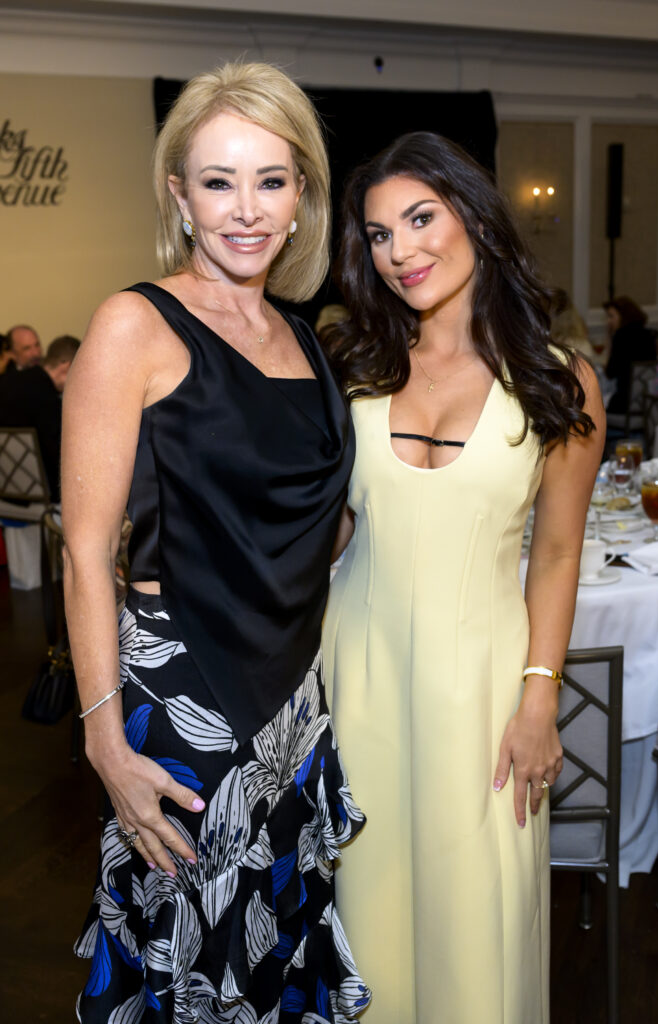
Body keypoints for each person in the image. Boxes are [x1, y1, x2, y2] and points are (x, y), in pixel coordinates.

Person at [62, 61, 369, 1023]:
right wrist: (105, 743)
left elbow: (313, 518)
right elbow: (82, 552)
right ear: (179, 194)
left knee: (273, 958)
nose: (246, 209)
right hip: (183, 694)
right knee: (193, 965)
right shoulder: (133, 324)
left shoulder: (302, 336)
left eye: (270, 180)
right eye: (218, 180)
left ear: (300, 197)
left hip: (291, 700)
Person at [321, 132, 605, 1023]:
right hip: (352, 679)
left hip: (484, 691)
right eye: (377, 235)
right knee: (364, 912)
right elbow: (324, 535)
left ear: (475, 219)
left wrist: (537, 700)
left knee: (477, 922)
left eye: (418, 218)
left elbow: (556, 555)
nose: (399, 250)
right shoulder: (352, 366)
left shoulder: (559, 383)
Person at [0, 333, 80, 501]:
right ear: (68, 367)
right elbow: (59, 460)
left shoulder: (6, 381)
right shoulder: (48, 400)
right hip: (43, 502)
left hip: (6, 497)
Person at [603, 295, 658, 412]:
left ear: (623, 315)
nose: (609, 321)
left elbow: (610, 372)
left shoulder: (621, 337)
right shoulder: (649, 335)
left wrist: (609, 339)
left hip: (623, 401)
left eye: (611, 316)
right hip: (645, 401)